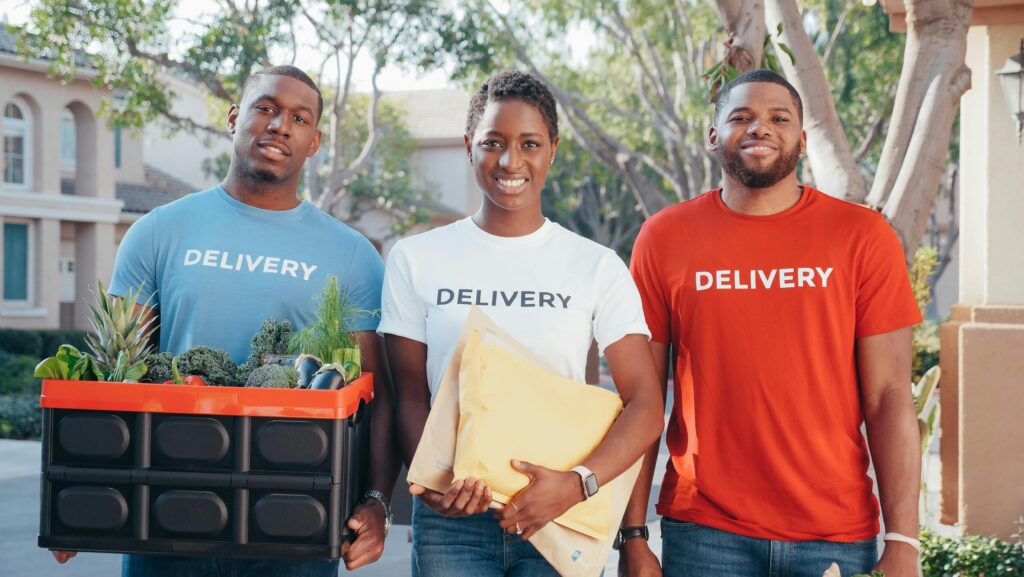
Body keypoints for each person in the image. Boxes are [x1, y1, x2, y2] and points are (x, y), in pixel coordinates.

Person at [50, 65, 400, 577]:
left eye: (298, 118)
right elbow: (115, 377)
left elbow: (379, 396)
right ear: (234, 118)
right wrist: (78, 496)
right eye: (265, 108)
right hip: (167, 507)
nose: (280, 125)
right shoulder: (158, 232)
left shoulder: (352, 256)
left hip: (296, 513)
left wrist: (376, 503)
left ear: (315, 141)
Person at [620, 68, 923, 577]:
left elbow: (890, 395)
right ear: (714, 136)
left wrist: (903, 541)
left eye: (778, 118)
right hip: (704, 533)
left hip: (836, 532)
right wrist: (631, 534)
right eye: (742, 117)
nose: (760, 127)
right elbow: (641, 397)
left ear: (802, 140)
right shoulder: (664, 238)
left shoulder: (863, 238)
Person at [378, 70, 664, 577]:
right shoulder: (416, 258)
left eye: (529, 143)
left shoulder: (595, 266)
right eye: (493, 143)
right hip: (453, 523)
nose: (511, 161)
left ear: (552, 149)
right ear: (469, 147)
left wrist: (579, 483)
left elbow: (644, 403)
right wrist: (435, 483)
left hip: (559, 514)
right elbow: (408, 396)